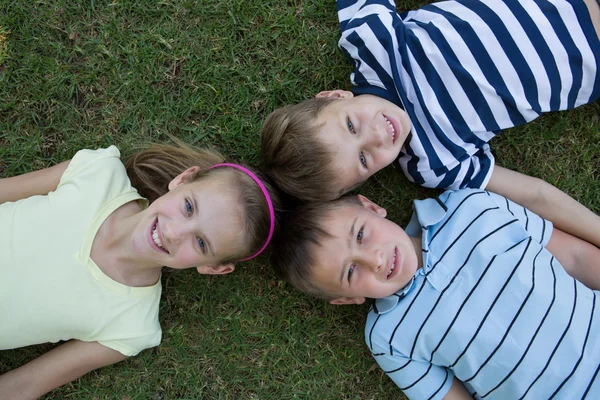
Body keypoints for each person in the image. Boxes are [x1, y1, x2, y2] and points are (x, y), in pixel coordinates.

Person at [260, 0, 600, 246]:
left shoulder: (373, 43)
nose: (377, 135)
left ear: (333, 97)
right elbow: (535, 195)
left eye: (350, 126)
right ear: (364, 181)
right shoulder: (432, 164)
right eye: (363, 160)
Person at [0, 143, 278, 398]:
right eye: (189, 207)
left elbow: (24, 384)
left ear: (213, 267)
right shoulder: (98, 174)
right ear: (183, 179)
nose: (173, 232)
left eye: (201, 242)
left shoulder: (132, 324)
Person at [271, 188, 600, 399]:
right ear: (347, 299)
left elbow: (574, 257)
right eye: (352, 272)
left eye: (361, 235)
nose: (375, 259)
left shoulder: (471, 207)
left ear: (371, 206)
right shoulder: (388, 336)